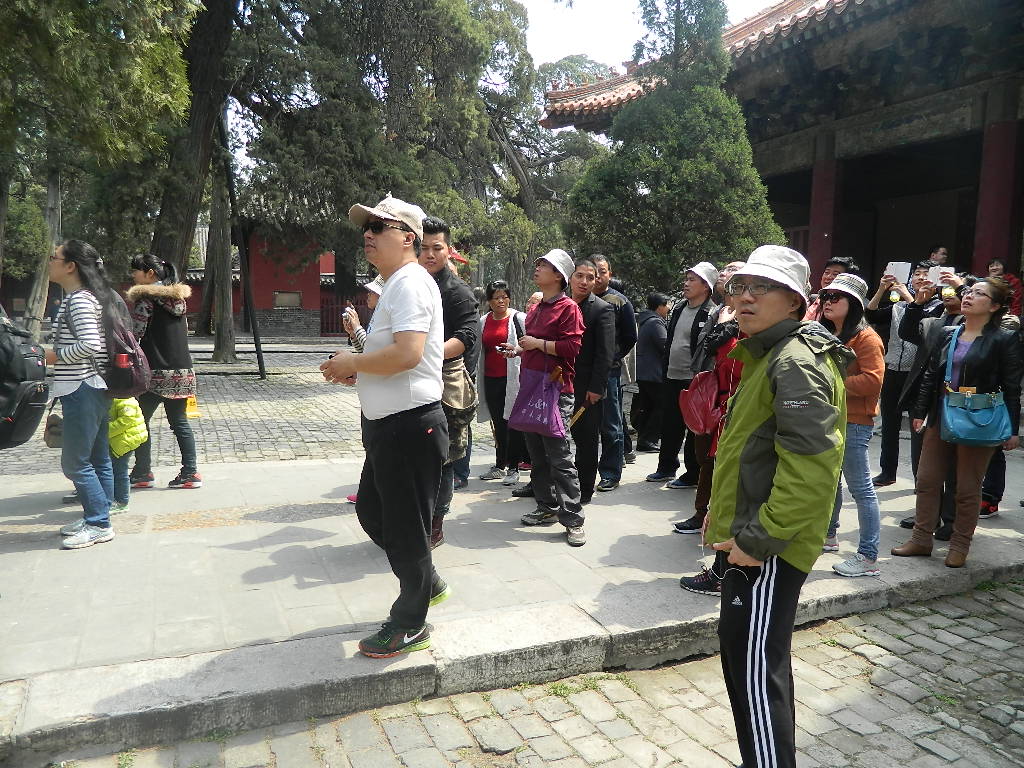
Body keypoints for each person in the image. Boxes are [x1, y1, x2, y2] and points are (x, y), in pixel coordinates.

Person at [705, 245, 851, 768]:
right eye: (740, 286)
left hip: (767, 546)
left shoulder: (794, 361)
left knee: (755, 674)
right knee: (751, 657)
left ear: (794, 302)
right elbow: (753, 449)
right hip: (752, 534)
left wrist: (758, 539)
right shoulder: (768, 351)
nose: (745, 297)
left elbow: (811, 468)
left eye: (762, 288)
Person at [321, 195, 449, 657]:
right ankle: (428, 580)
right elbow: (394, 356)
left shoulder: (411, 283)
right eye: (367, 228)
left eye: (379, 227)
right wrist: (362, 371)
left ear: (408, 237)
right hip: (389, 426)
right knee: (375, 513)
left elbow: (409, 354)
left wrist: (354, 361)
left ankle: (410, 622)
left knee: (405, 529)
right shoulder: (397, 284)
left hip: (408, 426)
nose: (368, 235)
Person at [893, 277, 1022, 568]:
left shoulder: (1004, 339)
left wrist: (1012, 430)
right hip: (942, 413)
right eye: (968, 291)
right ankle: (921, 539)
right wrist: (920, 412)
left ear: (994, 306)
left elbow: (1012, 387)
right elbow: (931, 374)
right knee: (927, 479)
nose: (968, 296)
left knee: (966, 487)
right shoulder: (948, 333)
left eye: (978, 293)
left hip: (979, 418)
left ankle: (960, 545)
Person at [507, 249, 585, 546]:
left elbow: (571, 348)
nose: (537, 268)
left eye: (544, 265)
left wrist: (536, 343)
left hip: (555, 390)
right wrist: (518, 349)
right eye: (538, 263)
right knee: (537, 454)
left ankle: (573, 519)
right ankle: (546, 506)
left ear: (558, 276)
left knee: (559, 455)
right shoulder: (538, 308)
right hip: (532, 387)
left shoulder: (568, 308)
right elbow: (534, 346)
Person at [46, 240, 118, 549]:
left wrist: (53, 356)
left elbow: (90, 344)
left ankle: (99, 523)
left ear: (70, 266)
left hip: (81, 387)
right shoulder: (86, 297)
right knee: (98, 458)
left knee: (75, 463)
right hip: (93, 386)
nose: (50, 262)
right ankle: (97, 516)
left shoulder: (78, 300)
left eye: (54, 257)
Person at [818, 274, 885, 577]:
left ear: (854, 303)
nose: (827, 302)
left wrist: (831, 382)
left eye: (836, 297)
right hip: (831, 418)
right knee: (831, 482)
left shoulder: (867, 338)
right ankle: (829, 535)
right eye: (825, 296)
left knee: (862, 489)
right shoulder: (829, 333)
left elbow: (873, 381)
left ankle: (868, 557)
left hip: (855, 422)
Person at [418, 216, 478, 548]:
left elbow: (467, 336)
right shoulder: (406, 282)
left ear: (448, 250)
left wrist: (423, 354)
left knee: (443, 459)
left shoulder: (457, 291)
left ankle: (436, 525)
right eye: (423, 247)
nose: (429, 254)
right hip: (410, 379)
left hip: (444, 382)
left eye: (436, 248)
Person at [126, 254, 200, 490]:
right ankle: (190, 473)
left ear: (150, 274)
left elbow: (135, 335)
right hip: (182, 372)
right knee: (180, 422)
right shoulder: (179, 301)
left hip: (156, 372)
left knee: (139, 421)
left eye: (135, 270)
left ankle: (142, 471)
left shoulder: (146, 301)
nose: (133, 275)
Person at [865, 260, 941, 486]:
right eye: (917, 274)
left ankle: (920, 478)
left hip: (917, 374)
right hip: (893, 370)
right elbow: (872, 315)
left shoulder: (938, 306)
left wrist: (910, 298)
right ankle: (888, 472)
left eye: (925, 274)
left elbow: (923, 322)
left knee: (918, 428)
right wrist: (881, 289)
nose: (920, 278)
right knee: (889, 424)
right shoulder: (897, 306)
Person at [647, 262, 719, 488]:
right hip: (671, 375)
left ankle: (692, 474)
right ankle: (666, 468)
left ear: (706, 286)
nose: (686, 284)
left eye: (692, 280)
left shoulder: (712, 312)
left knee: (693, 428)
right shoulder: (679, 308)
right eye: (686, 279)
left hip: (694, 378)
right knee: (670, 423)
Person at [566, 258, 614, 505]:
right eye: (579, 276)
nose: (584, 282)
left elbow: (605, 354)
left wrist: (597, 387)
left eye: (590, 277)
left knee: (586, 439)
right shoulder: (562, 305)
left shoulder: (602, 309)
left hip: (586, 387)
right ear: (570, 278)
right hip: (559, 382)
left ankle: (584, 489)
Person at [591, 255, 637, 492]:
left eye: (603, 271)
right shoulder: (578, 299)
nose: (598, 276)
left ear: (610, 273)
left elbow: (630, 336)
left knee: (611, 424)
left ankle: (610, 472)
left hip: (609, 372)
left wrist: (614, 356)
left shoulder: (620, 301)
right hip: (583, 370)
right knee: (587, 423)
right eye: (594, 271)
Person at [476, 280, 528, 487]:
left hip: (512, 378)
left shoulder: (518, 318)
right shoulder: (483, 321)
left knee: (513, 422)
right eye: (496, 297)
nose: (501, 301)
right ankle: (500, 464)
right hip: (490, 378)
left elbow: (528, 345)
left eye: (504, 297)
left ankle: (514, 467)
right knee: (498, 422)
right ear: (489, 301)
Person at [341, 275, 385, 505]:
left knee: (377, 445)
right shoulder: (378, 317)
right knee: (371, 444)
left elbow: (374, 354)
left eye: (373, 292)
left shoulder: (387, 318)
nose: (368, 295)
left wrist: (357, 327)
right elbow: (366, 353)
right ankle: (371, 492)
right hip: (373, 392)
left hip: (384, 394)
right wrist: (353, 333)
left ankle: (374, 494)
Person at [632, 293, 670, 452]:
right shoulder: (655, 322)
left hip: (645, 372)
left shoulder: (645, 320)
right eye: (667, 305)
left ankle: (644, 439)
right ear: (660, 306)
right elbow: (664, 345)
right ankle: (649, 439)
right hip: (654, 373)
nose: (668, 308)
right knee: (660, 406)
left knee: (648, 406)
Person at [803, 256, 859, 320]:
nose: (828, 277)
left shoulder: (846, 308)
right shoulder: (812, 299)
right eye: (826, 272)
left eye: (835, 274)